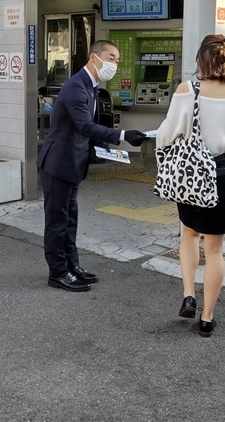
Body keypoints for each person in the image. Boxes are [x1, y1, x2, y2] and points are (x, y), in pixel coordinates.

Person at [156, 34, 225, 336]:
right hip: (220, 171)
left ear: (202, 61)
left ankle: (188, 295)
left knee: (189, 234)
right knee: (215, 249)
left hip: (191, 171)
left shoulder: (188, 90)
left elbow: (168, 132)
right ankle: (207, 318)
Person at [37, 40, 147, 292]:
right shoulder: (76, 86)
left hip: (73, 162)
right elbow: (85, 126)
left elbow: (87, 130)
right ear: (93, 57)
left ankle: (72, 266)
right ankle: (58, 273)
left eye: (117, 60)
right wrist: (122, 135)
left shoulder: (92, 86)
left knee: (69, 218)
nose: (114, 64)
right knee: (57, 221)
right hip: (57, 163)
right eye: (111, 58)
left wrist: (108, 149)